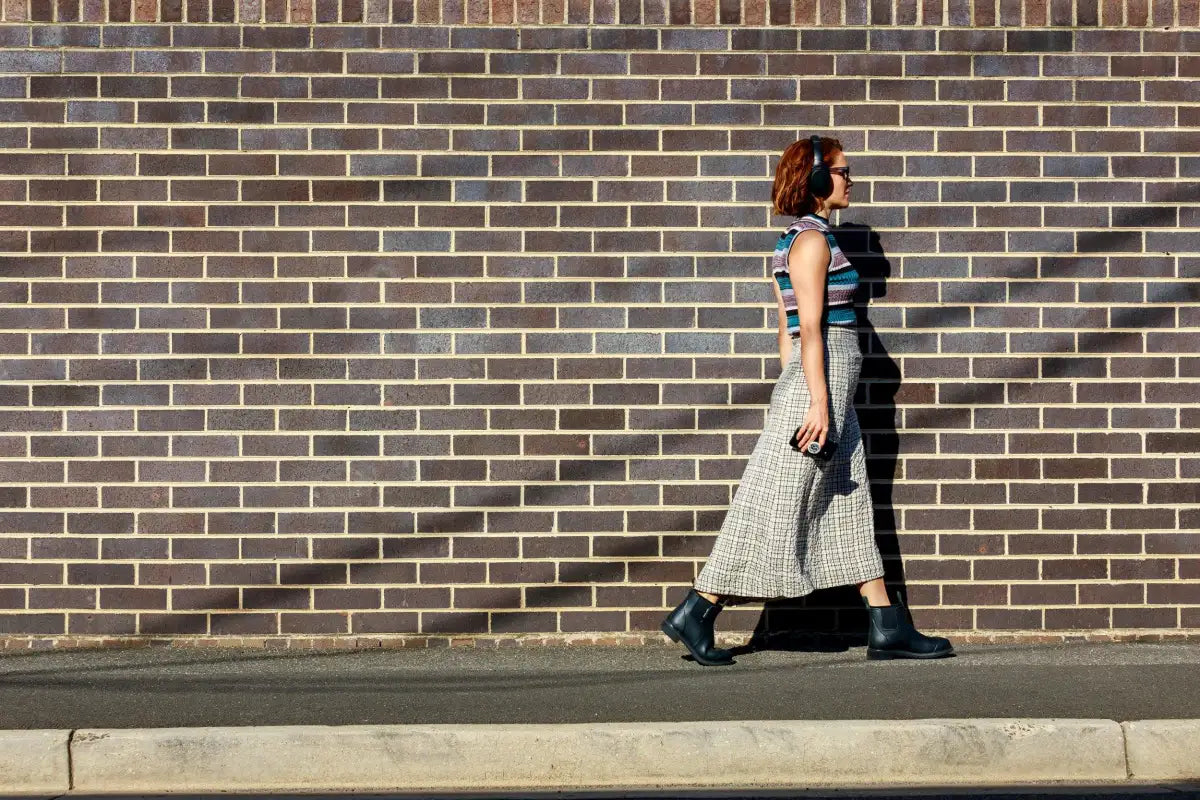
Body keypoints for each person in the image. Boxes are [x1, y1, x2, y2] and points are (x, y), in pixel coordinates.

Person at [660, 135, 955, 666]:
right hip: (819, 391)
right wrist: (814, 403)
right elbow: (811, 330)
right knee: (773, 502)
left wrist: (806, 389)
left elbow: (785, 332)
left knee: (848, 499)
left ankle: (887, 624)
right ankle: (698, 609)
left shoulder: (794, 241)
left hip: (820, 387)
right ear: (817, 181)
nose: (850, 180)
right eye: (842, 171)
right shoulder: (812, 243)